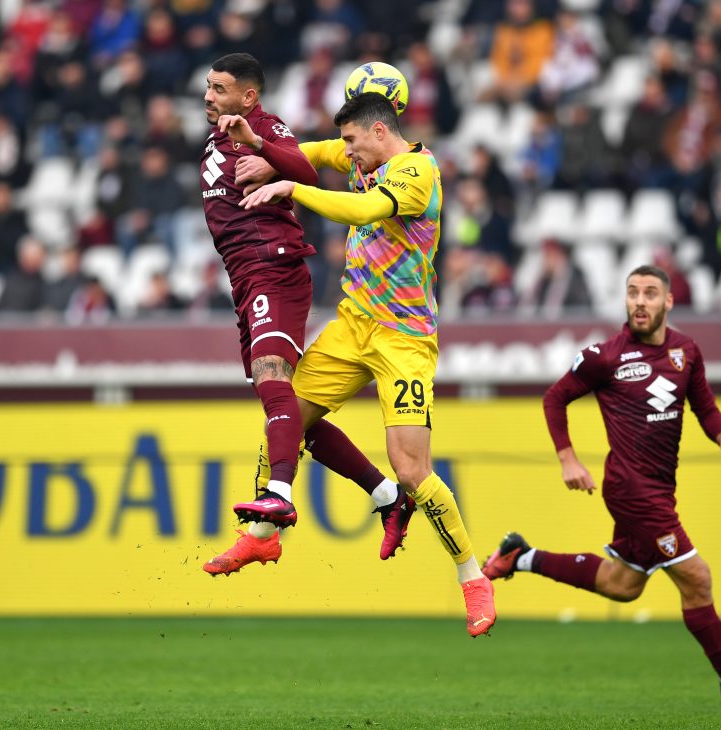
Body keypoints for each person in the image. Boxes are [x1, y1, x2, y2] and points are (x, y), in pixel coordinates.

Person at [234, 91, 497, 637]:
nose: (348, 153)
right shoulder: (363, 155)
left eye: (354, 142)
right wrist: (262, 146)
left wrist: (292, 187)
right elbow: (318, 149)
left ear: (380, 132)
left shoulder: (417, 171)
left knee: (412, 467)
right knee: (285, 417)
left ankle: (472, 577)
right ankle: (262, 534)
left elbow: (366, 209)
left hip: (405, 338)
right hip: (353, 326)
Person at [481, 264, 721, 709]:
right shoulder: (604, 356)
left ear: (668, 301)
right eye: (632, 293)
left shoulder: (687, 352)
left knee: (622, 584)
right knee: (697, 578)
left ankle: (520, 555)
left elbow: (702, 402)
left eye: (649, 293)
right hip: (631, 489)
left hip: (660, 488)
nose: (639, 302)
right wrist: (568, 457)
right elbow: (555, 397)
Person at [197, 54, 413, 579]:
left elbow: (303, 167)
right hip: (243, 279)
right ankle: (387, 496)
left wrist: (260, 146)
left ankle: (277, 499)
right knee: (294, 417)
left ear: (248, 97)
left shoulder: (265, 127)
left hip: (274, 268)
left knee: (274, 382)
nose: (208, 96)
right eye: (207, 86)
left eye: (219, 88)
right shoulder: (215, 138)